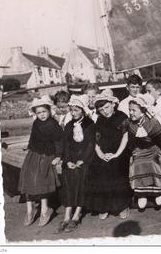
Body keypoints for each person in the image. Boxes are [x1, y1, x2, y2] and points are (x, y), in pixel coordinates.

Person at [84, 89, 131, 220]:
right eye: (101, 109)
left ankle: (122, 205)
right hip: (104, 152)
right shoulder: (99, 120)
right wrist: (100, 154)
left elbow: (125, 137)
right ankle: (104, 206)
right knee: (98, 167)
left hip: (120, 151)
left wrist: (116, 154)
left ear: (113, 104)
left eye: (106, 107)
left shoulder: (122, 117)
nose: (105, 111)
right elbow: (96, 141)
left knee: (116, 167)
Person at [18, 95, 62, 227]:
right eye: (38, 113)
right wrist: (29, 146)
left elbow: (59, 141)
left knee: (41, 178)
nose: (42, 115)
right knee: (27, 175)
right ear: (35, 114)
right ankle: (30, 210)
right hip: (34, 153)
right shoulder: (36, 123)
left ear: (49, 111)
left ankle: (44, 209)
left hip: (47, 154)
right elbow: (33, 137)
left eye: (44, 112)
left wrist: (58, 156)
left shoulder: (53, 124)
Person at [56, 94, 95, 233]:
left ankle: (77, 213)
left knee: (81, 175)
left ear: (83, 110)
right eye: (71, 110)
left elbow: (91, 144)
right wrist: (67, 161)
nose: (73, 113)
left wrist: (82, 159)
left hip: (85, 158)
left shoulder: (90, 125)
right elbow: (65, 145)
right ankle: (67, 214)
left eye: (76, 110)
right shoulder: (68, 125)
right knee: (67, 175)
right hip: (71, 158)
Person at [126, 93, 161, 209]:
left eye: (134, 110)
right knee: (136, 164)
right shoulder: (130, 124)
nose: (131, 113)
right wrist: (132, 153)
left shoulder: (153, 122)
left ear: (143, 111)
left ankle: (158, 192)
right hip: (138, 151)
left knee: (153, 163)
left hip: (154, 149)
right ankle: (141, 194)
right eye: (129, 110)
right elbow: (131, 143)